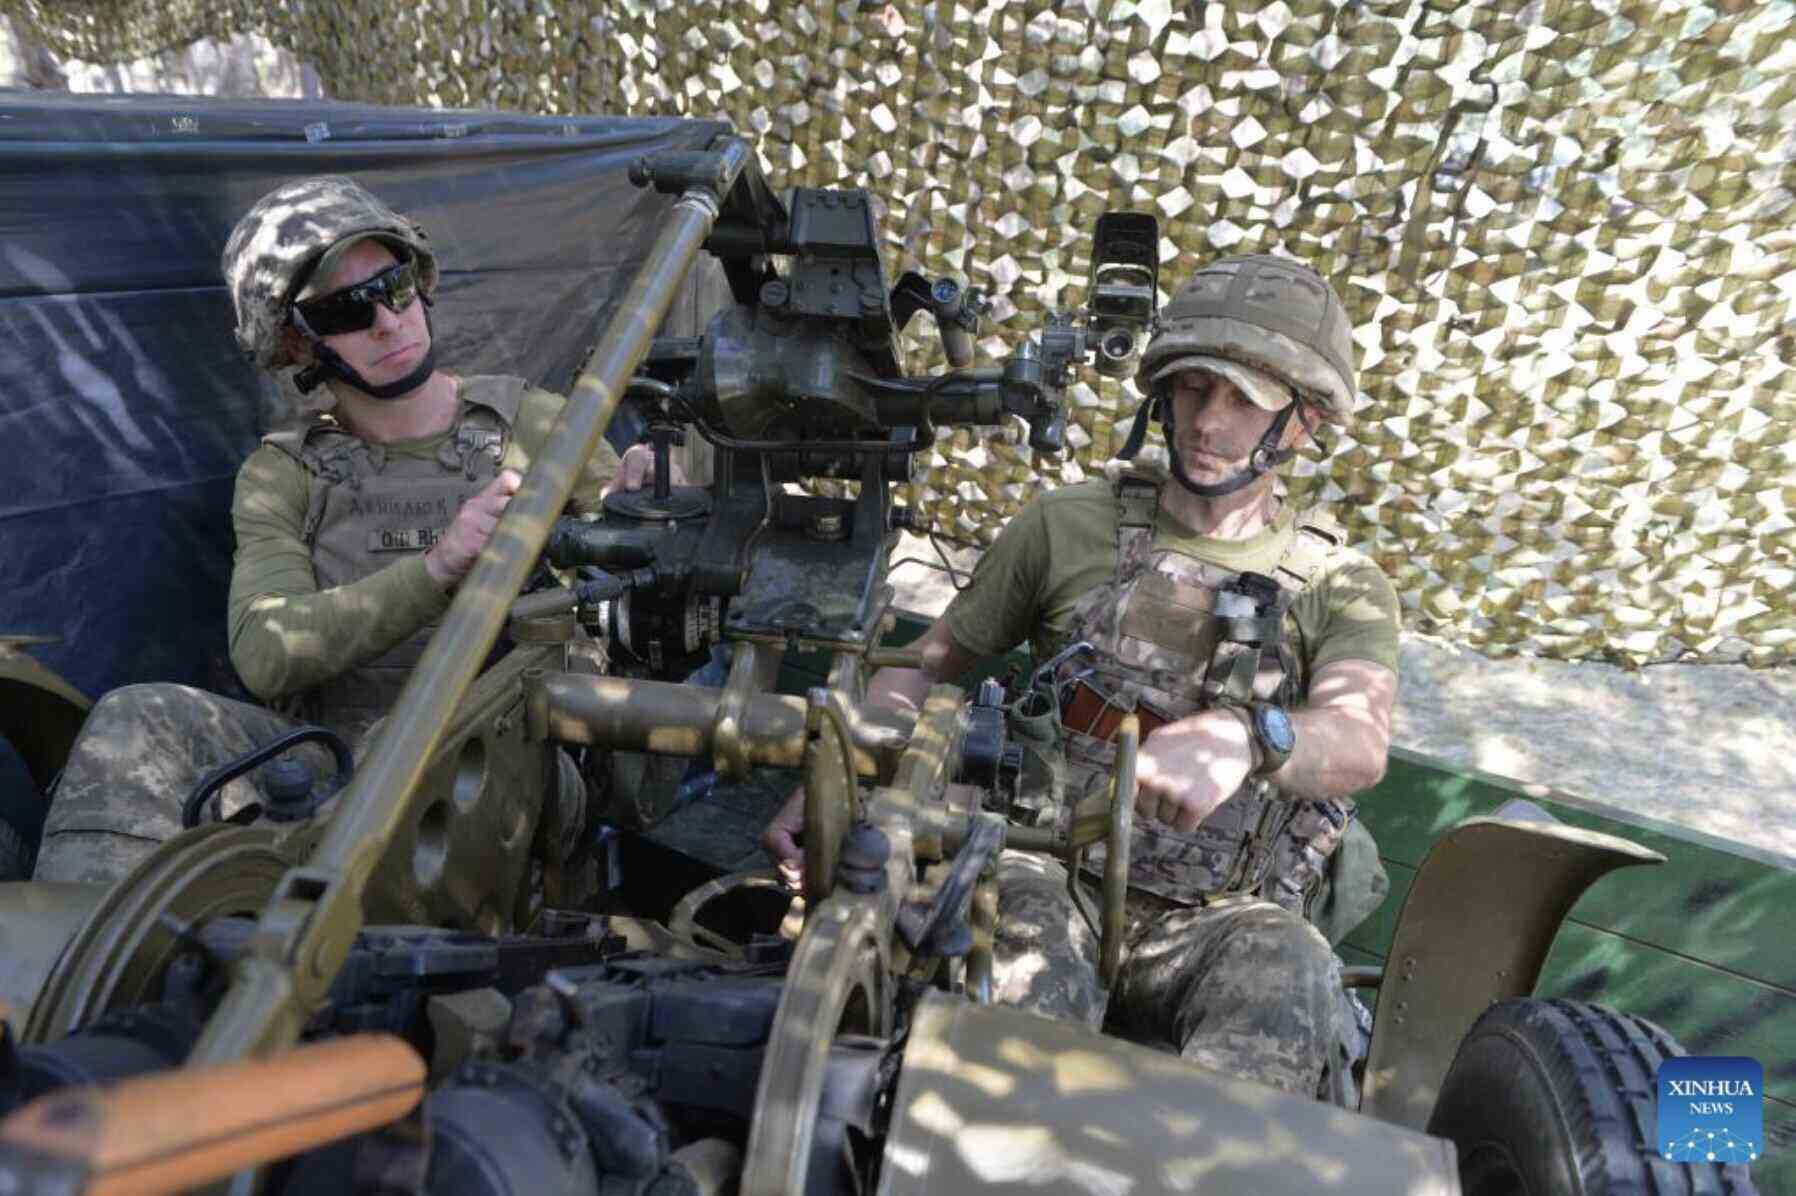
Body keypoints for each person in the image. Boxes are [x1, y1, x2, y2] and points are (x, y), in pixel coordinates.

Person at [763, 254, 1400, 1097]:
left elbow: (1358, 743)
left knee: (1284, 993)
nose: (1209, 421)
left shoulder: (1340, 583)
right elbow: (927, 667)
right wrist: (841, 765)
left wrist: (1250, 738)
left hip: (1221, 918)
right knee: (1017, 1015)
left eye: (1245, 399)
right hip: (1043, 871)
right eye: (1192, 388)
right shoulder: (1067, 526)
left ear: (1306, 421)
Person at [34, 176, 666, 885]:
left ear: (420, 282)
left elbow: (629, 603)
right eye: (344, 311)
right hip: (340, 764)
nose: (389, 322)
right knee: (136, 720)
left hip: (511, 760)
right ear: (295, 343)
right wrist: (438, 569)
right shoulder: (285, 474)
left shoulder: (536, 423)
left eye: (392, 286)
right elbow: (266, 652)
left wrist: (633, 516)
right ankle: (60, 977)